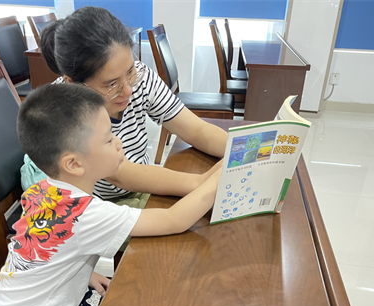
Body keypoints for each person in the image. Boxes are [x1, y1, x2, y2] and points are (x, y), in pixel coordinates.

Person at [0, 83, 221, 306]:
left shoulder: (43, 189)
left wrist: (81, 271)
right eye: (109, 138)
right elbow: (174, 220)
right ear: (74, 163)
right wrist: (224, 174)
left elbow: (41, 249)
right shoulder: (86, 213)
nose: (118, 143)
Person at [21, 6, 229, 207]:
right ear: (72, 83)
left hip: (141, 187)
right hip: (96, 206)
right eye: (111, 84)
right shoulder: (63, 111)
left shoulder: (140, 78)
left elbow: (196, 129)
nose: (128, 89)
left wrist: (238, 151)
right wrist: (200, 182)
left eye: (130, 71)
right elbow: (119, 174)